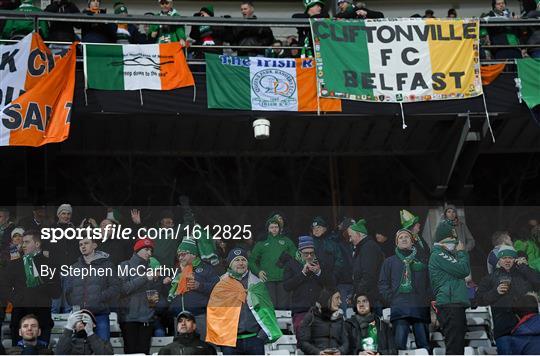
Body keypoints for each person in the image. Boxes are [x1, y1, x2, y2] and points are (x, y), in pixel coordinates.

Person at [206, 247, 282, 355]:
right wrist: (222, 340)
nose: (241, 263)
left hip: (255, 340)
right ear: (230, 264)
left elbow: (268, 310)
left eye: (243, 260)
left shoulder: (257, 284)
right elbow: (215, 314)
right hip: (230, 343)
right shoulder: (221, 285)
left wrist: (261, 336)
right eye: (237, 260)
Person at [476, 245, 540, 354]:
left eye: (510, 258)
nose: (507, 260)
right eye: (503, 258)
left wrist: (524, 267)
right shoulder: (490, 278)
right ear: (499, 260)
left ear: (515, 259)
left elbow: (538, 282)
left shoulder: (524, 274)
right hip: (504, 329)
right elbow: (479, 300)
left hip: (527, 329)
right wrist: (495, 293)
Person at [3, 230, 60, 346]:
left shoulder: (50, 264)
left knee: (43, 352)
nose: (23, 245)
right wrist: (17, 299)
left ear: (37, 244)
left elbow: (57, 292)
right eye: (23, 242)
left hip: (43, 320)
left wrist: (41, 286)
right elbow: (4, 286)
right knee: (17, 352)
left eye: (27, 242)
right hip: (19, 318)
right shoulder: (14, 264)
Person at [378, 229, 431, 351]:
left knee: (424, 346)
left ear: (412, 241)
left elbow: (430, 283)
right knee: (399, 346)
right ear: (396, 243)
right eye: (400, 237)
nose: (404, 239)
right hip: (400, 307)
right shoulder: (389, 262)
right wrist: (392, 299)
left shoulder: (422, 261)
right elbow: (383, 283)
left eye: (407, 237)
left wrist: (426, 299)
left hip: (420, 307)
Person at [65, 237, 120, 341]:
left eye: (86, 243)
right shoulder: (74, 267)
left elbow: (115, 287)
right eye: (80, 244)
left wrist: (99, 297)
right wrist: (76, 306)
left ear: (94, 245)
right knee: (81, 350)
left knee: (103, 350)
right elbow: (68, 291)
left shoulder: (107, 265)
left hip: (100, 315)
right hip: (80, 317)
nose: (83, 246)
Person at [428, 220, 470, 355]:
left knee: (457, 346)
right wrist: (462, 253)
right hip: (450, 304)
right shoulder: (438, 255)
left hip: (455, 303)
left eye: (455, 238)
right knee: (454, 347)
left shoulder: (449, 256)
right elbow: (463, 270)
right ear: (441, 240)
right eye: (450, 238)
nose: (454, 241)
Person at [118, 238, 165, 354]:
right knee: (131, 352)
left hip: (147, 319)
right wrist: (144, 278)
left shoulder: (151, 269)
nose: (149, 253)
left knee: (144, 353)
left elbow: (152, 297)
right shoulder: (125, 266)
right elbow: (122, 290)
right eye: (147, 249)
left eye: (151, 251)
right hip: (129, 319)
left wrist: (153, 303)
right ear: (137, 250)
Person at [282, 235, 335, 336]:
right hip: (300, 310)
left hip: (318, 310)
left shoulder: (320, 263)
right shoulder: (291, 264)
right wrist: (302, 274)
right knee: (302, 340)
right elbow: (287, 286)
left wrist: (319, 272)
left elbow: (331, 283)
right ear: (300, 252)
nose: (309, 256)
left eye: (311, 253)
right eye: (306, 254)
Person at [168, 238, 219, 341]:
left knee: (202, 348)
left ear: (193, 254)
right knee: (181, 348)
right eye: (179, 255)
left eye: (184, 254)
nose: (180, 257)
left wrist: (200, 286)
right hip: (180, 317)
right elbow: (169, 293)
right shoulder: (176, 270)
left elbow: (218, 288)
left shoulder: (206, 268)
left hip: (199, 316)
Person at [249, 215, 297, 309]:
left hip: (283, 278)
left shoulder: (287, 241)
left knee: (283, 306)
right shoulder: (261, 243)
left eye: (276, 227)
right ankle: (271, 324)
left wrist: (291, 271)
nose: (274, 229)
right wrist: (258, 272)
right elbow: (251, 261)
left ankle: (283, 324)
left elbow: (296, 256)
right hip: (268, 279)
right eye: (272, 227)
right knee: (271, 305)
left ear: (279, 228)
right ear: (268, 229)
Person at [298, 288, 349, 355]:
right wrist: (318, 352)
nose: (340, 302)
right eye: (337, 298)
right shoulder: (311, 317)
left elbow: (346, 343)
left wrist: (340, 351)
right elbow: (303, 342)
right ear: (327, 300)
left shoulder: (340, 318)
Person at [348, 219, 384, 307]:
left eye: (351, 236)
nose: (350, 239)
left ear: (359, 234)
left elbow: (368, 275)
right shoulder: (364, 247)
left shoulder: (368, 248)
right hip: (366, 295)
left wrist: (358, 293)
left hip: (370, 297)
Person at [310, 216, 344, 283]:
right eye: (313, 228)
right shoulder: (309, 244)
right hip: (313, 281)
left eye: (318, 227)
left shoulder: (332, 243)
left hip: (331, 280)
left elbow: (339, 260)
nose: (316, 230)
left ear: (325, 229)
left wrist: (335, 275)